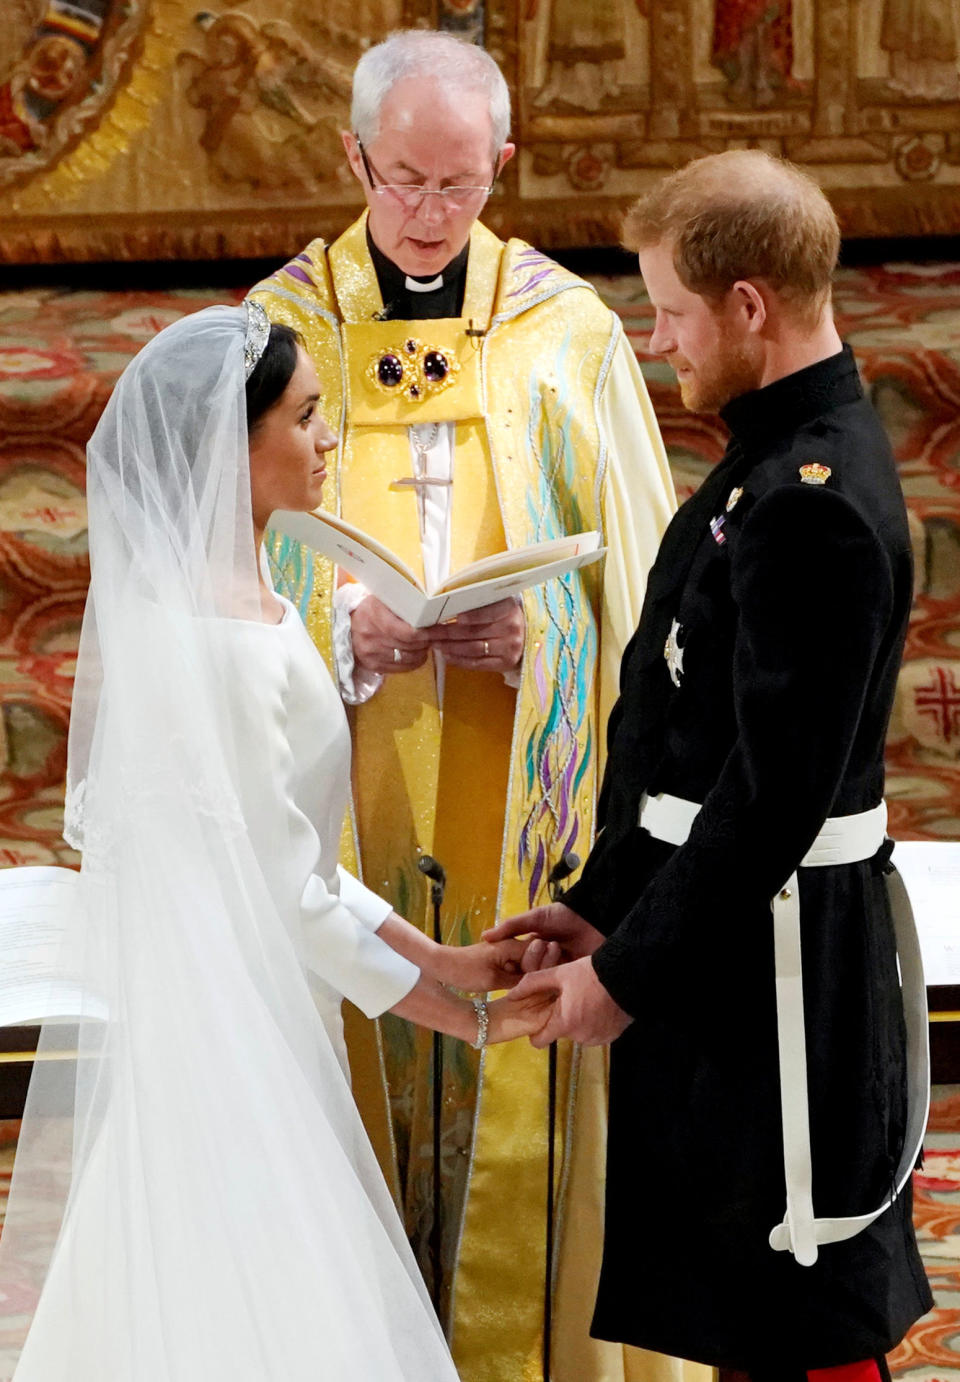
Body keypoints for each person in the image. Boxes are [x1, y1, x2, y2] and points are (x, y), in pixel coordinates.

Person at [0, 303, 553, 1380]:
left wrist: (441, 959)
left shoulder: (247, 600)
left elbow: (295, 855)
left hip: (242, 1012)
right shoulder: (217, 642)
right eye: (305, 418)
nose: (328, 439)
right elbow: (285, 898)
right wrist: (461, 1020)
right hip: (232, 1036)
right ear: (233, 445)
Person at [249, 26, 687, 1382]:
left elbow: (643, 576)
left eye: (461, 186)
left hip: (524, 767)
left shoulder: (570, 328)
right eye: (402, 184)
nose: (430, 218)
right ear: (352, 157)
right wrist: (343, 626)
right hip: (351, 755)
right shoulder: (280, 328)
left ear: (502, 164)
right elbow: (218, 557)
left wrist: (544, 628)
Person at [488, 149, 934, 1380]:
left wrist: (626, 974)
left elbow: (772, 792)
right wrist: (598, 903)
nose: (658, 338)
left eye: (673, 311)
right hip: (723, 932)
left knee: (800, 1302)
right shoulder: (770, 456)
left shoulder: (815, 498)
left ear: (749, 306)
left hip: (780, 960)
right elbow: (684, 741)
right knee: (741, 1303)